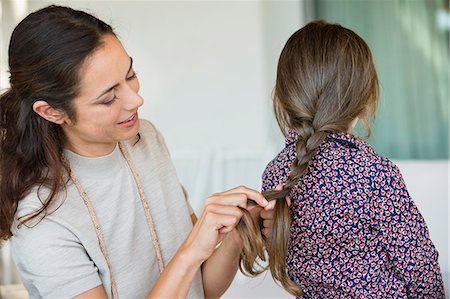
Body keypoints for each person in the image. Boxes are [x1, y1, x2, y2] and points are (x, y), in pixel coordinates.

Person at [0, 5, 275, 298]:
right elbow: (190, 261)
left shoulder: (146, 140)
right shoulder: (41, 220)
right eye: (108, 98)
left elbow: (199, 288)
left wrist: (235, 235)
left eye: (130, 75)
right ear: (52, 111)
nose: (136, 99)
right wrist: (192, 248)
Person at [246, 20, 446, 298]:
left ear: (282, 98)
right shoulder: (374, 174)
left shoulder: (276, 173)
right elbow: (420, 268)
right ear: (364, 100)